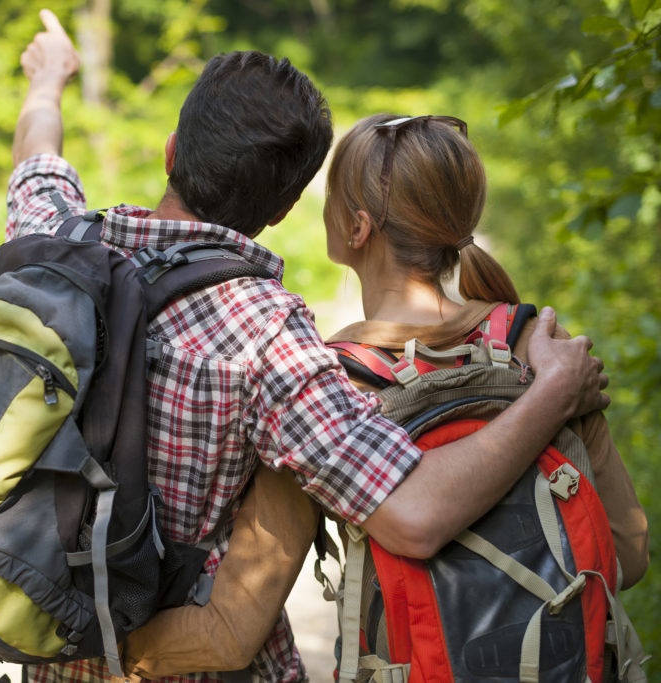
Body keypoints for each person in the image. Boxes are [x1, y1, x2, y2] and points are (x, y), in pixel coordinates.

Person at [8, 11, 610, 683]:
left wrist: (49, 77)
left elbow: (37, 156)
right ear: (282, 211)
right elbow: (413, 514)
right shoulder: (267, 335)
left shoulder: (54, 243)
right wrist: (555, 390)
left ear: (171, 152)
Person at [121, 114, 649, 679]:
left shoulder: (325, 387)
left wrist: (93, 644)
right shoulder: (542, 350)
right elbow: (627, 552)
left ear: (357, 228)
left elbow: (232, 632)